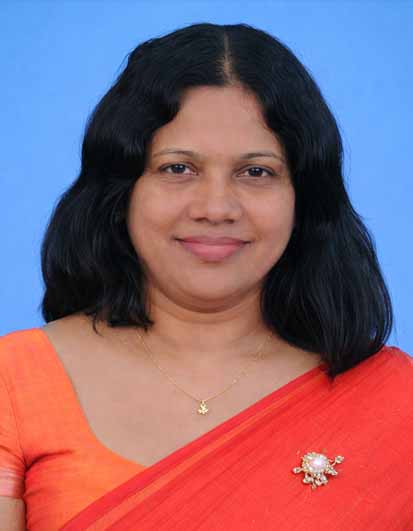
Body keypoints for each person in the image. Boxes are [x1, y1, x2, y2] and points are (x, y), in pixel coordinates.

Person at [1, 22, 412, 531]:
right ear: (121, 192)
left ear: (304, 200)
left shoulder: (395, 403)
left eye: (256, 172)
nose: (216, 208)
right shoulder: (14, 383)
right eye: (178, 168)